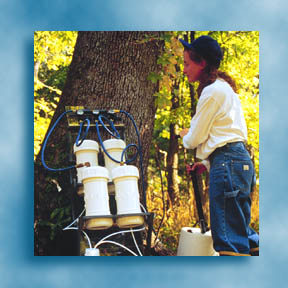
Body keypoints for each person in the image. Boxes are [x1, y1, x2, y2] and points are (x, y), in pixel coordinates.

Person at [179, 35, 259, 256]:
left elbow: (195, 138)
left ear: (202, 63)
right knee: (243, 235)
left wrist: (184, 135)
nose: (184, 70)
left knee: (229, 244)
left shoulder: (212, 92)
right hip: (239, 163)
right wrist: (206, 162)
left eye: (186, 64)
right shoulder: (223, 89)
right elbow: (225, 134)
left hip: (228, 164)